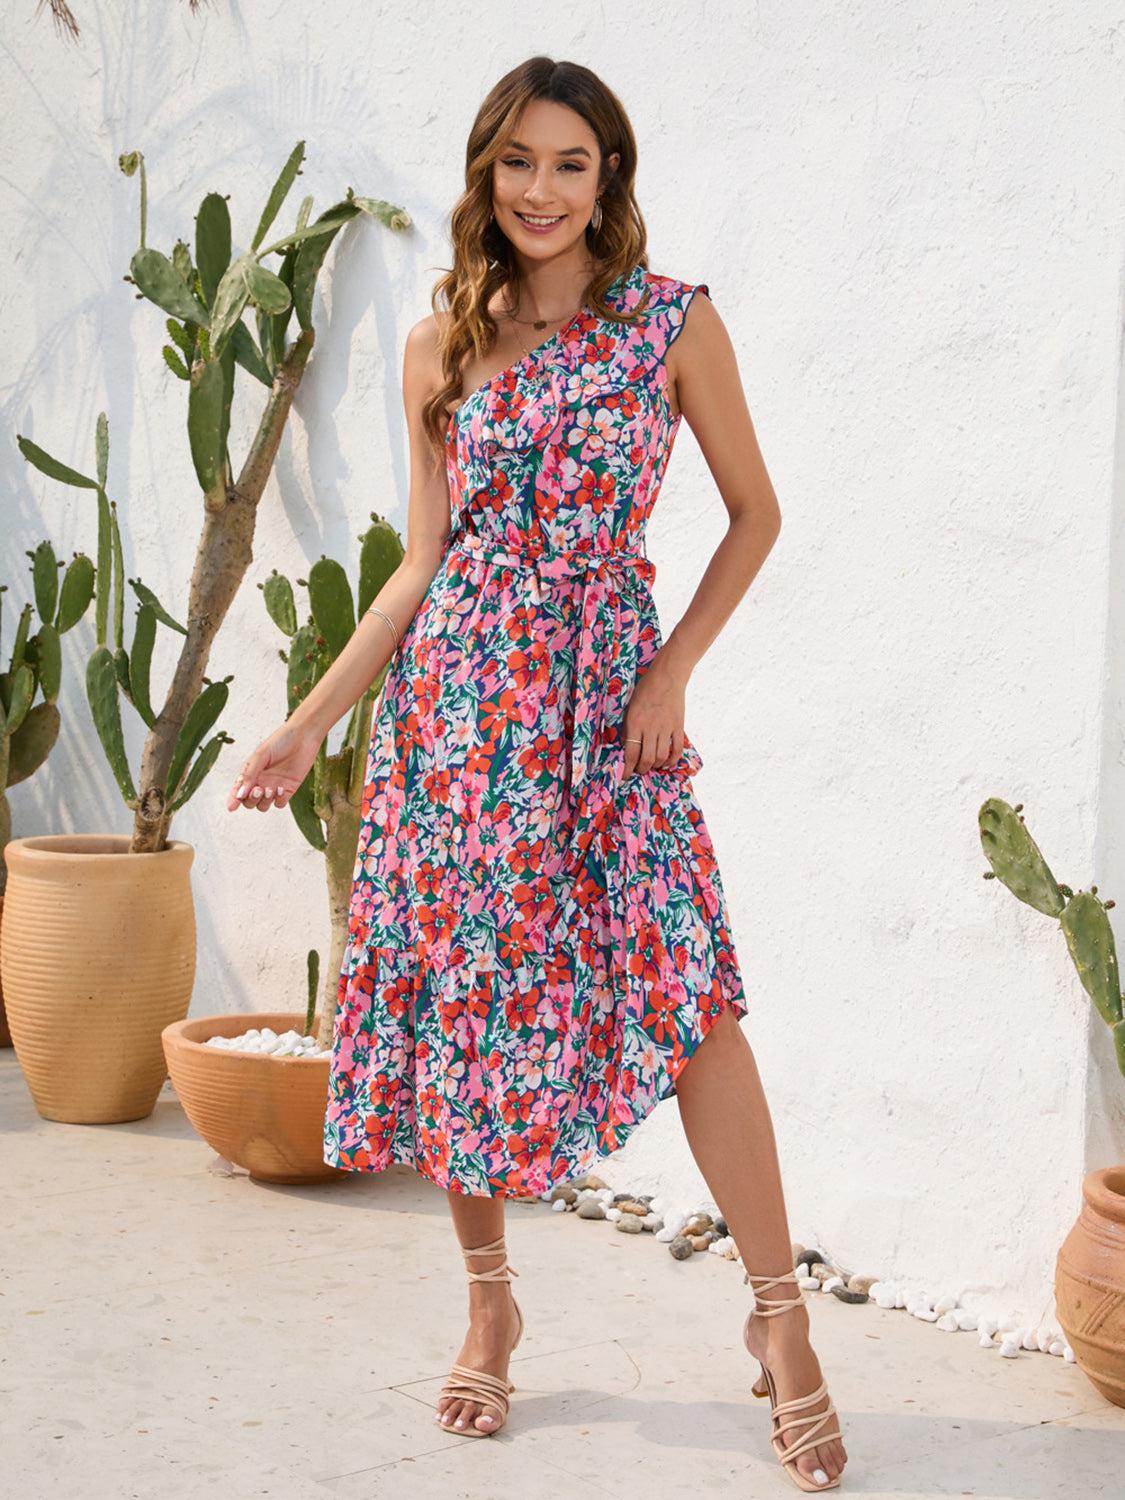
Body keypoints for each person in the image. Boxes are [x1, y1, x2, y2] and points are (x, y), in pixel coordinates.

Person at [226, 56, 847, 1493]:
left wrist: (669, 672)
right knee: (462, 1009)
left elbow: (755, 516)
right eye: (517, 162)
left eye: (572, 163)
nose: (542, 191)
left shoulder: (668, 324)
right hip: (460, 726)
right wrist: (312, 721)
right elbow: (423, 567)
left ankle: (777, 1320)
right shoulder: (444, 344)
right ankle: (490, 1300)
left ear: (608, 177)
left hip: (607, 714)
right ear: (483, 174)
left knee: (689, 1001)